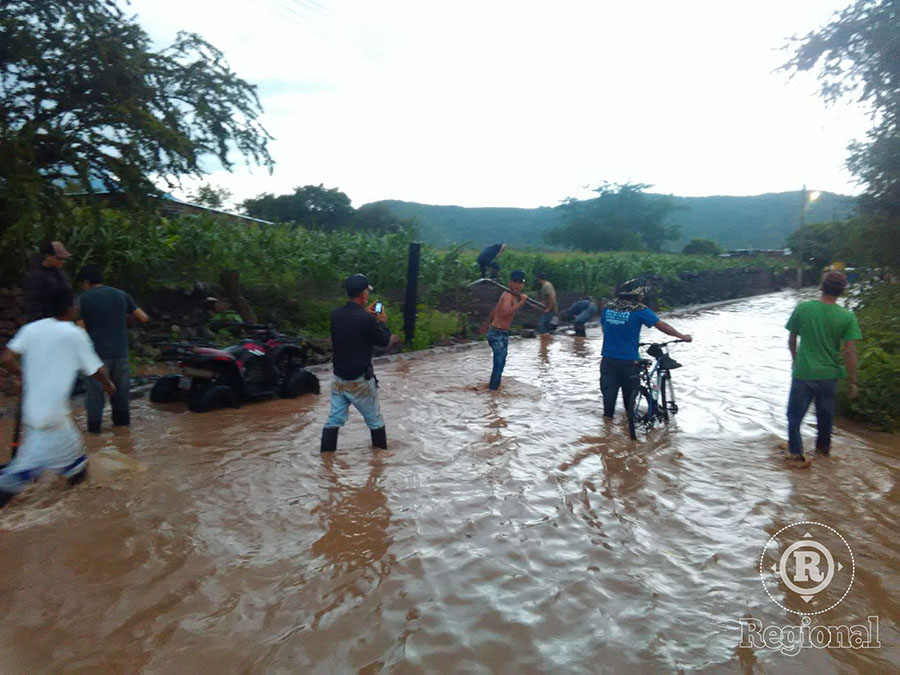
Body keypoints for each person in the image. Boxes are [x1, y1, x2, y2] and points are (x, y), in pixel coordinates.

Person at [0, 288, 115, 508]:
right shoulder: (73, 334)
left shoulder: (30, 329)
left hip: (34, 413)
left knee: (75, 458)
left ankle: (74, 501)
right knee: (19, 474)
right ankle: (77, 507)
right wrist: (108, 385)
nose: (77, 308)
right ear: (68, 307)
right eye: (76, 304)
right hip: (52, 417)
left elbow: (7, 358)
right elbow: (96, 370)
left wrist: (22, 375)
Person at [785, 270, 861, 463]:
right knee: (825, 421)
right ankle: (823, 456)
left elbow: (792, 338)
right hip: (828, 376)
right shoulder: (847, 317)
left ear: (821, 286)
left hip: (803, 374)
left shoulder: (803, 308)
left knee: (794, 418)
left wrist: (795, 358)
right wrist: (853, 382)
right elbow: (849, 352)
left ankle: (796, 456)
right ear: (842, 291)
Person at [321, 274, 392, 453]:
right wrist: (382, 322)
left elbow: (351, 325)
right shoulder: (367, 319)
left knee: (333, 421)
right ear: (363, 295)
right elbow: (383, 341)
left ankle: (326, 463)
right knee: (375, 422)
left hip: (338, 380)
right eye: (367, 292)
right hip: (359, 381)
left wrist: (364, 313)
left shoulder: (335, 315)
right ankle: (380, 465)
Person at [599, 283, 693, 419]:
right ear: (637, 294)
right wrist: (682, 336)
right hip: (629, 361)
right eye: (641, 294)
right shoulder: (640, 310)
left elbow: (604, 329)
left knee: (608, 401)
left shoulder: (608, 308)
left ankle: (607, 430)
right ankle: (629, 429)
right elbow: (662, 326)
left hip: (608, 360)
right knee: (630, 402)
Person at [77, 265, 150, 433]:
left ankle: (94, 434)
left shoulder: (82, 299)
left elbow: (80, 331)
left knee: (95, 398)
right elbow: (143, 318)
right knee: (121, 395)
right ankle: (123, 432)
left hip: (96, 357)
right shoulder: (121, 295)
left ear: (87, 282)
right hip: (121, 353)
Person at [484, 270, 530, 390]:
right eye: (515, 282)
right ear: (510, 282)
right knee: (499, 362)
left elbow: (496, 311)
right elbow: (504, 312)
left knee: (502, 362)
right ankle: (493, 390)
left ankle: (494, 388)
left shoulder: (515, 296)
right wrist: (521, 303)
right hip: (496, 333)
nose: (517, 285)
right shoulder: (508, 295)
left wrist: (485, 323)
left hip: (504, 334)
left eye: (520, 283)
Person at [23, 240, 72, 323]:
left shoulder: (61, 274)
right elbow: (33, 304)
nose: (61, 262)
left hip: (61, 321)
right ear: (48, 256)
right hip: (44, 322)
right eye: (58, 258)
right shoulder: (35, 276)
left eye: (63, 259)